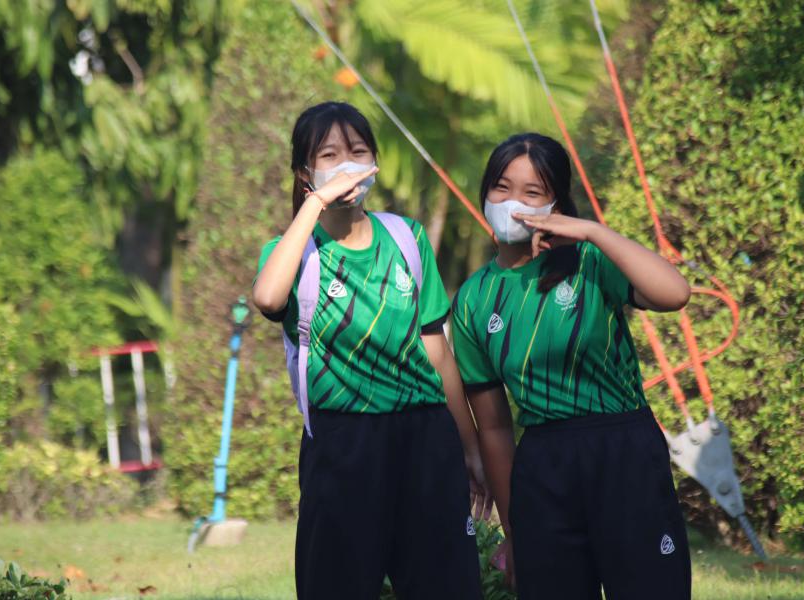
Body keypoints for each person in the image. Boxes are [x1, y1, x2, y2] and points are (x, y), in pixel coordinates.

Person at [252, 101, 489, 600]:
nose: (346, 166)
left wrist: (468, 447)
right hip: (344, 444)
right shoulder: (294, 253)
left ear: (375, 162)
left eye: (358, 152)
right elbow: (269, 298)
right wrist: (314, 206)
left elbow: (438, 353)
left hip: (425, 438)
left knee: (446, 585)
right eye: (329, 156)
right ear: (305, 172)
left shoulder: (407, 238)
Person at [452, 132, 693, 599]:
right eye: (501, 187)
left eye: (532, 192)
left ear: (556, 205)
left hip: (623, 450)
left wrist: (593, 232)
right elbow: (495, 429)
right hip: (544, 465)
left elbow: (675, 293)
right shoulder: (472, 300)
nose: (512, 203)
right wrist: (514, 532)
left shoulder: (591, 262)